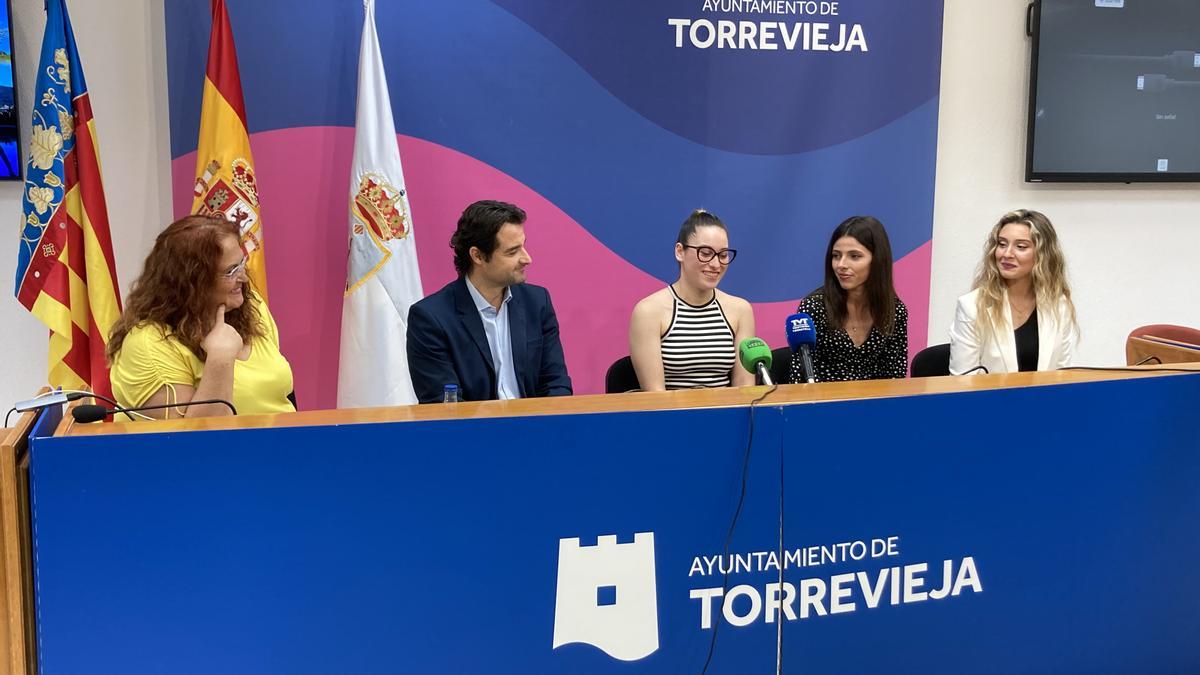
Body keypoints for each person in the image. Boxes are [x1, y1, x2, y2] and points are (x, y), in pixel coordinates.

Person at [107, 215, 295, 418]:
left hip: (283, 443)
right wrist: (220, 358)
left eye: (241, 264)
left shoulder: (250, 305)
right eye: (231, 271)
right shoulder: (146, 344)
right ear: (192, 282)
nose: (243, 277)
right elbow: (193, 443)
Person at [406, 200, 572, 403]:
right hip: (472, 432)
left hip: (537, 427)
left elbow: (556, 383)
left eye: (523, 246)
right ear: (478, 256)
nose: (527, 258)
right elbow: (444, 403)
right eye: (512, 252)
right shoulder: (431, 318)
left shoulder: (537, 303)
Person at [628, 209, 755, 391]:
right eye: (705, 253)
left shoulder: (740, 310)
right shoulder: (648, 312)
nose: (715, 264)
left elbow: (745, 390)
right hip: (672, 417)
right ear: (680, 252)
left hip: (726, 416)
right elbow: (655, 397)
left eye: (723, 255)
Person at [949, 209, 1078, 375]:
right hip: (991, 400)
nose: (1007, 254)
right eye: (1002, 244)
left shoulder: (1059, 305)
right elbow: (963, 382)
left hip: (1044, 400)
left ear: (1043, 255)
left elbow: (1063, 374)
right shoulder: (971, 306)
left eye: (1021, 247)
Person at [789, 216, 908, 383]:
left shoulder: (894, 311)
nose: (841, 265)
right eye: (836, 256)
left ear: (877, 260)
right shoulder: (814, 307)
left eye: (854, 256)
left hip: (873, 405)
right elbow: (799, 380)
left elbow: (895, 378)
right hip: (823, 405)